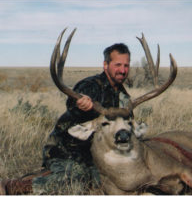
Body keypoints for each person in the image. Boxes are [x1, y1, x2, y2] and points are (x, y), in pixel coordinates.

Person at [1, 43, 132, 195]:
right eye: (117, 65)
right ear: (105, 65)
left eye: (126, 66)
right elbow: (74, 103)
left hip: (94, 157)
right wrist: (80, 105)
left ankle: (42, 175)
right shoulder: (90, 86)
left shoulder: (124, 98)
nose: (122, 71)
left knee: (107, 181)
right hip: (64, 152)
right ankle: (11, 186)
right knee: (77, 179)